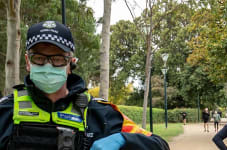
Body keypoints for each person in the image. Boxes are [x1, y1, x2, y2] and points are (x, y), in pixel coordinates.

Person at [0, 21, 169, 150]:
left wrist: (124, 139)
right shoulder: (5, 110)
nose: (47, 66)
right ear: (28, 61)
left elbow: (160, 144)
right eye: (39, 58)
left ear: (70, 64)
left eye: (58, 59)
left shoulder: (101, 114)